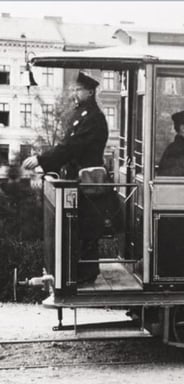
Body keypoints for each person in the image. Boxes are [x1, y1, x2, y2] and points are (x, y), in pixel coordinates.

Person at [22, 71, 108, 284]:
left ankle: (87, 274)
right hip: (79, 178)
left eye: (79, 90)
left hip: (88, 180)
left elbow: (72, 146)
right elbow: (67, 146)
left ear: (90, 91)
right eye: (75, 89)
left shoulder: (93, 118)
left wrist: (42, 159)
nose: (75, 93)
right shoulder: (82, 114)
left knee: (87, 226)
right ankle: (80, 272)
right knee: (79, 225)